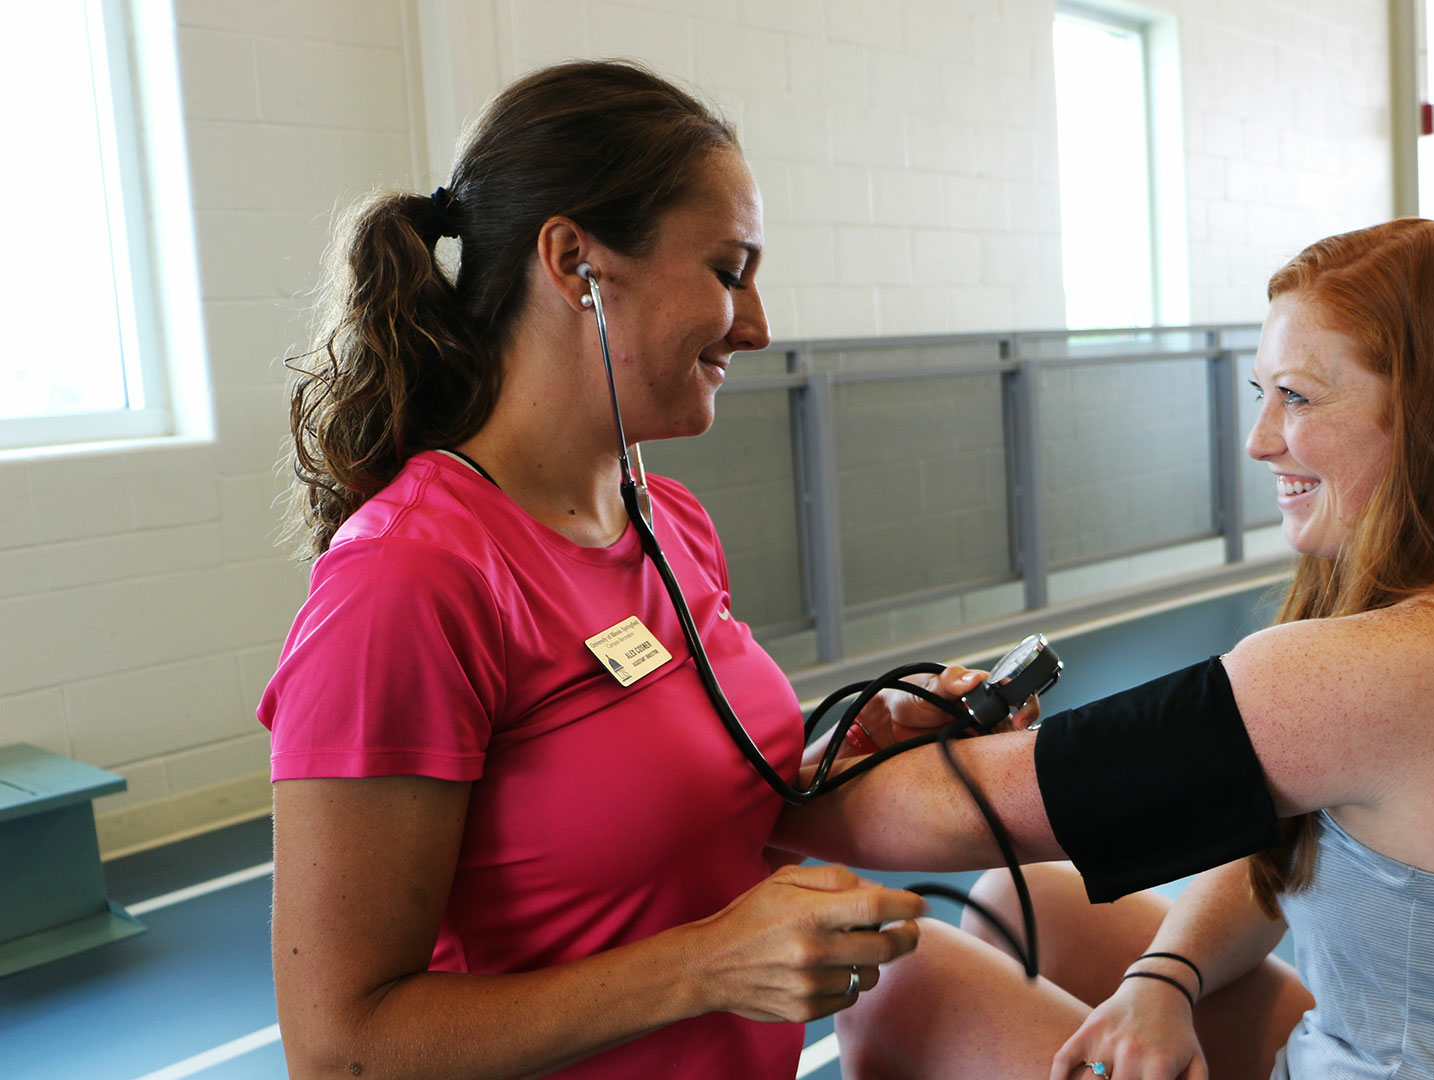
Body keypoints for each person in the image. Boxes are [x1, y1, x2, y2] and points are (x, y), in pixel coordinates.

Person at [774, 218, 1434, 1080]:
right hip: (1405, 1048)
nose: (1260, 441)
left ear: (1430, 422)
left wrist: (744, 798)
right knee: (1025, 904)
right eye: (1263, 394)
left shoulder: (1394, 666)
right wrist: (1162, 980)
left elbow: (957, 813)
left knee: (899, 980)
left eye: (1296, 398)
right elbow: (1266, 816)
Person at [260, 59, 996, 1079]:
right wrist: (702, 970)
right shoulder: (404, 582)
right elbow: (341, 1049)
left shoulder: (668, 521)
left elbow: (663, 816)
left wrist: (848, 746)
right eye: (729, 270)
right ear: (574, 263)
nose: (757, 324)